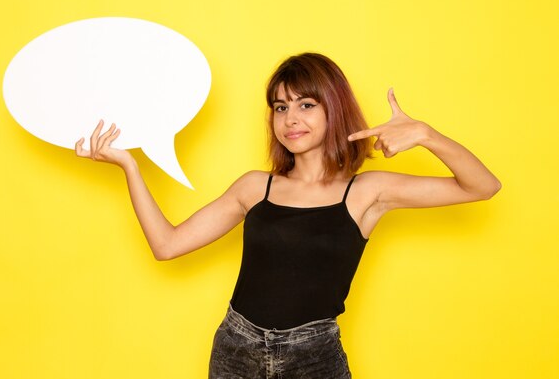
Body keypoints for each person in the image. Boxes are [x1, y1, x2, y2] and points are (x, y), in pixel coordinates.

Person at [75, 53, 501, 379]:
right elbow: (166, 245)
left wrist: (426, 135)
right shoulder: (254, 187)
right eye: (280, 108)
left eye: (305, 105)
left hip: (314, 357)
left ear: (333, 108)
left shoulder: (367, 191)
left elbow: (482, 186)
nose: (290, 119)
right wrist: (129, 166)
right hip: (235, 349)